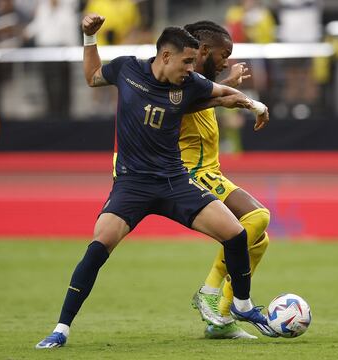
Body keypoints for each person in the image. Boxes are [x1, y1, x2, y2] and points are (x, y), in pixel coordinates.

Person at [35, 13, 277, 349]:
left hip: (174, 181)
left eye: (195, 62)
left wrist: (254, 104)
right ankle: (61, 329)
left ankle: (241, 305)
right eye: (187, 62)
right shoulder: (126, 69)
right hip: (132, 185)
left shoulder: (189, 83)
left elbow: (222, 93)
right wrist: (89, 38)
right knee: (98, 248)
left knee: (236, 234)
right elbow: (91, 76)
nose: (192, 69)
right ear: (166, 56)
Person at [181, 21, 271, 340]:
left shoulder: (200, 83)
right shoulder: (180, 81)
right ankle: (208, 292)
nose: (226, 61)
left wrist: (246, 101)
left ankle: (219, 321)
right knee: (258, 217)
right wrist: (242, 100)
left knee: (258, 241)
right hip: (192, 174)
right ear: (203, 50)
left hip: (211, 172)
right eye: (224, 54)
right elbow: (183, 102)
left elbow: (210, 96)